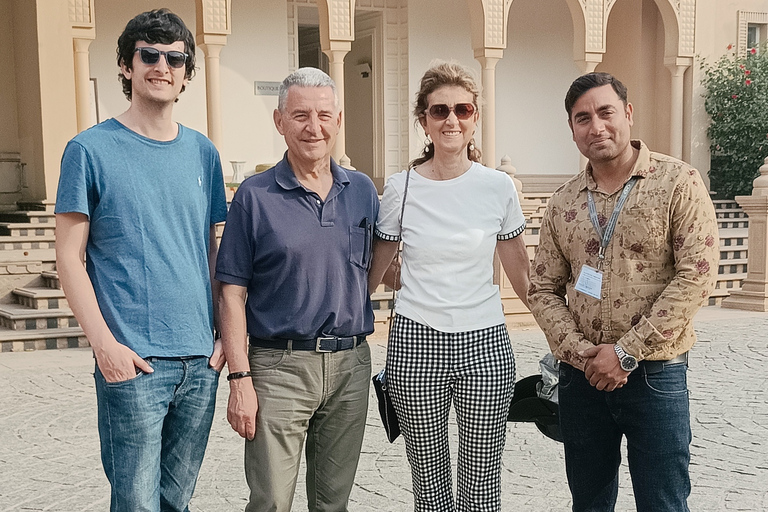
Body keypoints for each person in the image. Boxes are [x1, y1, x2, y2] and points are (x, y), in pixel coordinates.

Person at [54, 8, 228, 512]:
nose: (162, 65)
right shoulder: (89, 149)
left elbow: (212, 249)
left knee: (176, 502)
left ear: (187, 74)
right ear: (127, 67)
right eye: (148, 54)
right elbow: (69, 258)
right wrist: (105, 346)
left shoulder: (203, 154)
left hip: (200, 362)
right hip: (134, 361)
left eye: (175, 58)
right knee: (135, 504)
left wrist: (221, 338)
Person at [528, 72, 719, 512]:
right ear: (572, 129)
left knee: (663, 502)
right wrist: (583, 354)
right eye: (582, 118)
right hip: (582, 378)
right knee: (589, 502)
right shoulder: (565, 202)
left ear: (628, 114)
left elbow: (697, 275)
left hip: (655, 374)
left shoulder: (677, 182)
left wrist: (626, 352)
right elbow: (542, 289)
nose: (596, 126)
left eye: (605, 112)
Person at [368, 61, 531, 512]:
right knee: (430, 484)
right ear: (424, 120)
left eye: (462, 109)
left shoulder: (498, 187)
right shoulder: (400, 188)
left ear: (475, 117)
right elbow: (376, 267)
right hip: (415, 343)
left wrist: (564, 333)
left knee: (481, 484)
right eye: (439, 111)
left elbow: (521, 273)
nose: (451, 120)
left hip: (485, 343)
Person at [216, 67, 379, 512]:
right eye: (301, 115)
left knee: (333, 503)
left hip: (350, 365)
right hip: (279, 367)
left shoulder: (362, 191)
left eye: (324, 115)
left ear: (339, 120)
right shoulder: (254, 196)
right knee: (270, 501)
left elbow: (377, 268)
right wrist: (240, 378)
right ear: (279, 120)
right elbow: (230, 292)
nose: (314, 127)